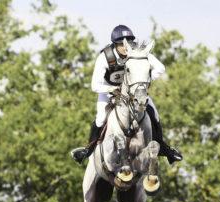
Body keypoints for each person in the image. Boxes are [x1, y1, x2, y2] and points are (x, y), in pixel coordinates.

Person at [70, 24, 183, 164]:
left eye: (128, 42)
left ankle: (164, 149)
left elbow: (160, 68)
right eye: (121, 44)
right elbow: (95, 85)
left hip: (133, 92)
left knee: (154, 113)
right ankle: (88, 149)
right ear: (115, 45)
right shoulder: (105, 57)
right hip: (109, 92)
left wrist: (144, 81)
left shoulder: (138, 52)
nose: (125, 46)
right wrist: (110, 89)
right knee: (100, 118)